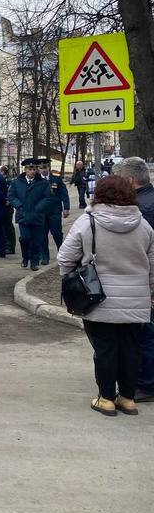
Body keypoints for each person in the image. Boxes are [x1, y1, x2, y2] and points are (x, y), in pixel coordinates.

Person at [58, 175, 154, 416]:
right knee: (131, 349)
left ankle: (106, 399)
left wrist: (71, 279)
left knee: (105, 349)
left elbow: (65, 257)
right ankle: (128, 398)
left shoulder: (87, 222)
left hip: (97, 297)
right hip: (136, 298)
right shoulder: (143, 225)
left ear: (98, 193)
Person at [112, 157, 154, 402]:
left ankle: (146, 384)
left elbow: (140, 251)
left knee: (145, 334)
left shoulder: (140, 209)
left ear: (129, 180)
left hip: (145, 281)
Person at [8, 159, 48, 270]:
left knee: (36, 240)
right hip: (23, 215)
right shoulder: (16, 182)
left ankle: (34, 262)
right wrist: (19, 206)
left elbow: (47, 197)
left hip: (37, 216)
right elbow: (11, 196)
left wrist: (38, 208)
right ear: (25, 170)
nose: (32, 171)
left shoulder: (43, 183)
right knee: (25, 238)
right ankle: (25, 257)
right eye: (30, 169)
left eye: (34, 169)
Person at [36, 159, 70, 265]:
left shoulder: (56, 177)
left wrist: (66, 208)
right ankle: (44, 256)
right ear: (38, 169)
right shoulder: (36, 180)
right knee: (42, 234)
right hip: (41, 212)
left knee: (57, 233)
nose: (43, 170)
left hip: (54, 211)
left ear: (48, 168)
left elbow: (63, 192)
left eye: (45, 167)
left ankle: (61, 252)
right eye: (41, 168)